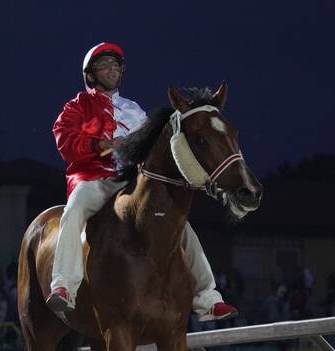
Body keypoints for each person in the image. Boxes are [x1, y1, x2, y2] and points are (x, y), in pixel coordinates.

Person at [46, 41, 238, 322]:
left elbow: (155, 148)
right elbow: (64, 141)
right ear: (90, 74)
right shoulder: (76, 106)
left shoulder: (134, 109)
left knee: (180, 224)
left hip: (132, 183)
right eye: (104, 65)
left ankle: (208, 297)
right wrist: (104, 144)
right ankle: (64, 286)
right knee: (73, 212)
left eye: (116, 65)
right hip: (93, 180)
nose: (111, 69)